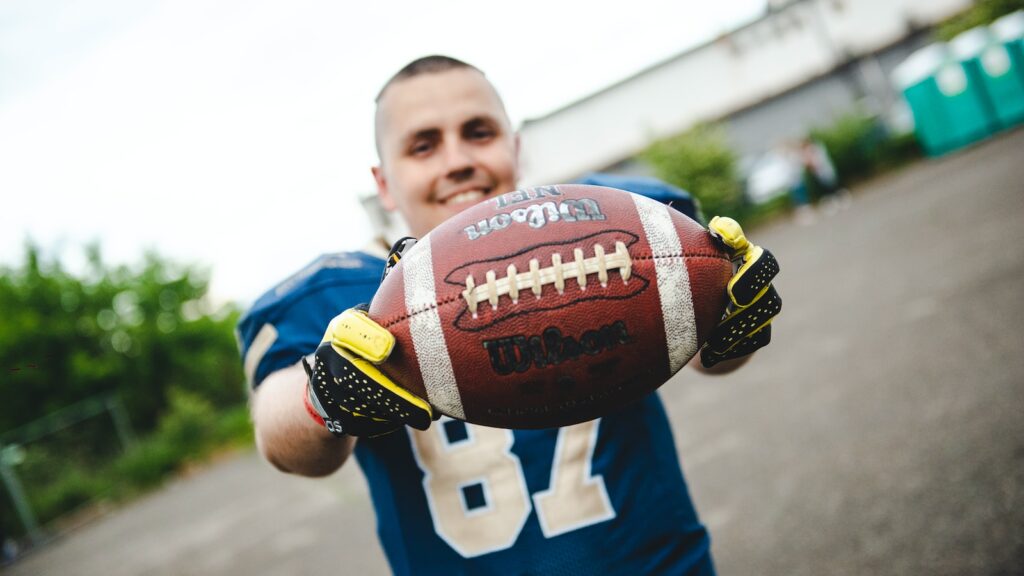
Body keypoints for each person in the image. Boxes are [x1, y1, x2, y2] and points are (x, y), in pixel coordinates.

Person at [237, 56, 781, 575]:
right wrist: (323, 397)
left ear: (515, 147)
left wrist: (735, 330)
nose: (457, 161)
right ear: (383, 183)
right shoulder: (338, 293)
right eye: (423, 146)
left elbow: (711, 361)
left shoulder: (613, 223)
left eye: (479, 133)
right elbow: (282, 440)